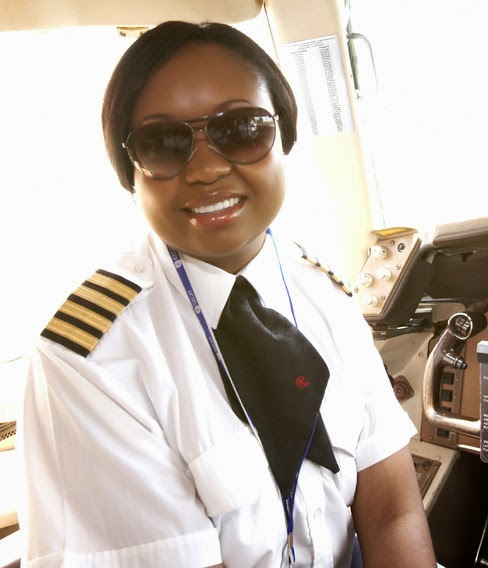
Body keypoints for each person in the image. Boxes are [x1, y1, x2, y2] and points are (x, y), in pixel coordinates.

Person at [19, 20, 437, 567]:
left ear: (282, 138)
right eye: (163, 144)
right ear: (132, 171)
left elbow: (392, 512)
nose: (208, 169)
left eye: (241, 129)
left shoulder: (325, 295)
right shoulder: (91, 361)